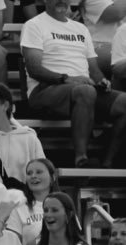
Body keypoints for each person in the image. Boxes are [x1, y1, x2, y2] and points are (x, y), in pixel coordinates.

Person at [22, 0, 126, 168]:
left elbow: (93, 69)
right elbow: (34, 69)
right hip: (46, 89)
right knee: (85, 91)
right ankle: (81, 159)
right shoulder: (34, 25)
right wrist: (67, 79)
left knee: (123, 102)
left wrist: (101, 81)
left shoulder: (81, 28)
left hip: (80, 89)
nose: (61, 1)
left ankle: (108, 161)